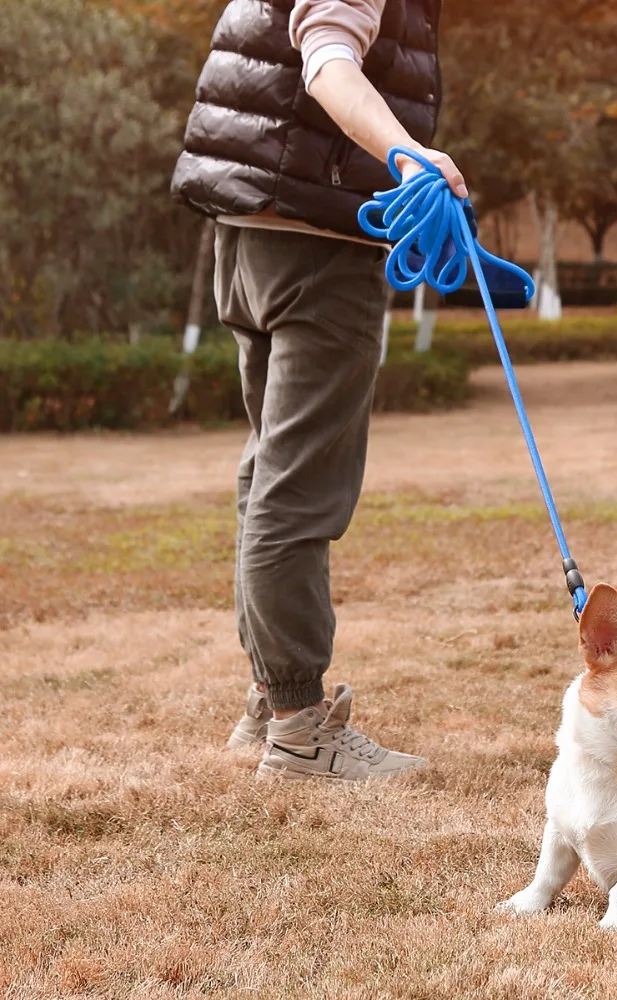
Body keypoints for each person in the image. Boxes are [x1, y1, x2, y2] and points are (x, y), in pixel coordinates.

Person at [171, 0, 465, 781]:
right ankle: (300, 730)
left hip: (252, 231)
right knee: (297, 490)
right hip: (317, 248)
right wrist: (408, 153)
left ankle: (270, 702)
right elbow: (328, 60)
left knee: (269, 477)